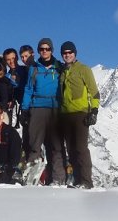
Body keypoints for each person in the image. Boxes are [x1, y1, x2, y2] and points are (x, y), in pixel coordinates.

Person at [21, 37, 66, 184]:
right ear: (38, 51)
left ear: (52, 50)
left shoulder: (59, 67)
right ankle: (33, 178)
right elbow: (28, 89)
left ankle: (57, 179)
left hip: (55, 108)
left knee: (56, 146)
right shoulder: (34, 68)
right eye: (42, 49)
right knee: (35, 145)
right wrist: (25, 109)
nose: (44, 51)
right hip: (38, 107)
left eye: (47, 49)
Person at [59, 41, 100, 189]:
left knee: (81, 148)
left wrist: (94, 111)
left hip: (81, 113)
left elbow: (94, 91)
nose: (67, 55)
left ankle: (86, 182)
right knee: (70, 149)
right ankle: (77, 181)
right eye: (65, 53)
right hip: (65, 114)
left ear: (75, 53)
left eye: (70, 52)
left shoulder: (84, 69)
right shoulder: (62, 71)